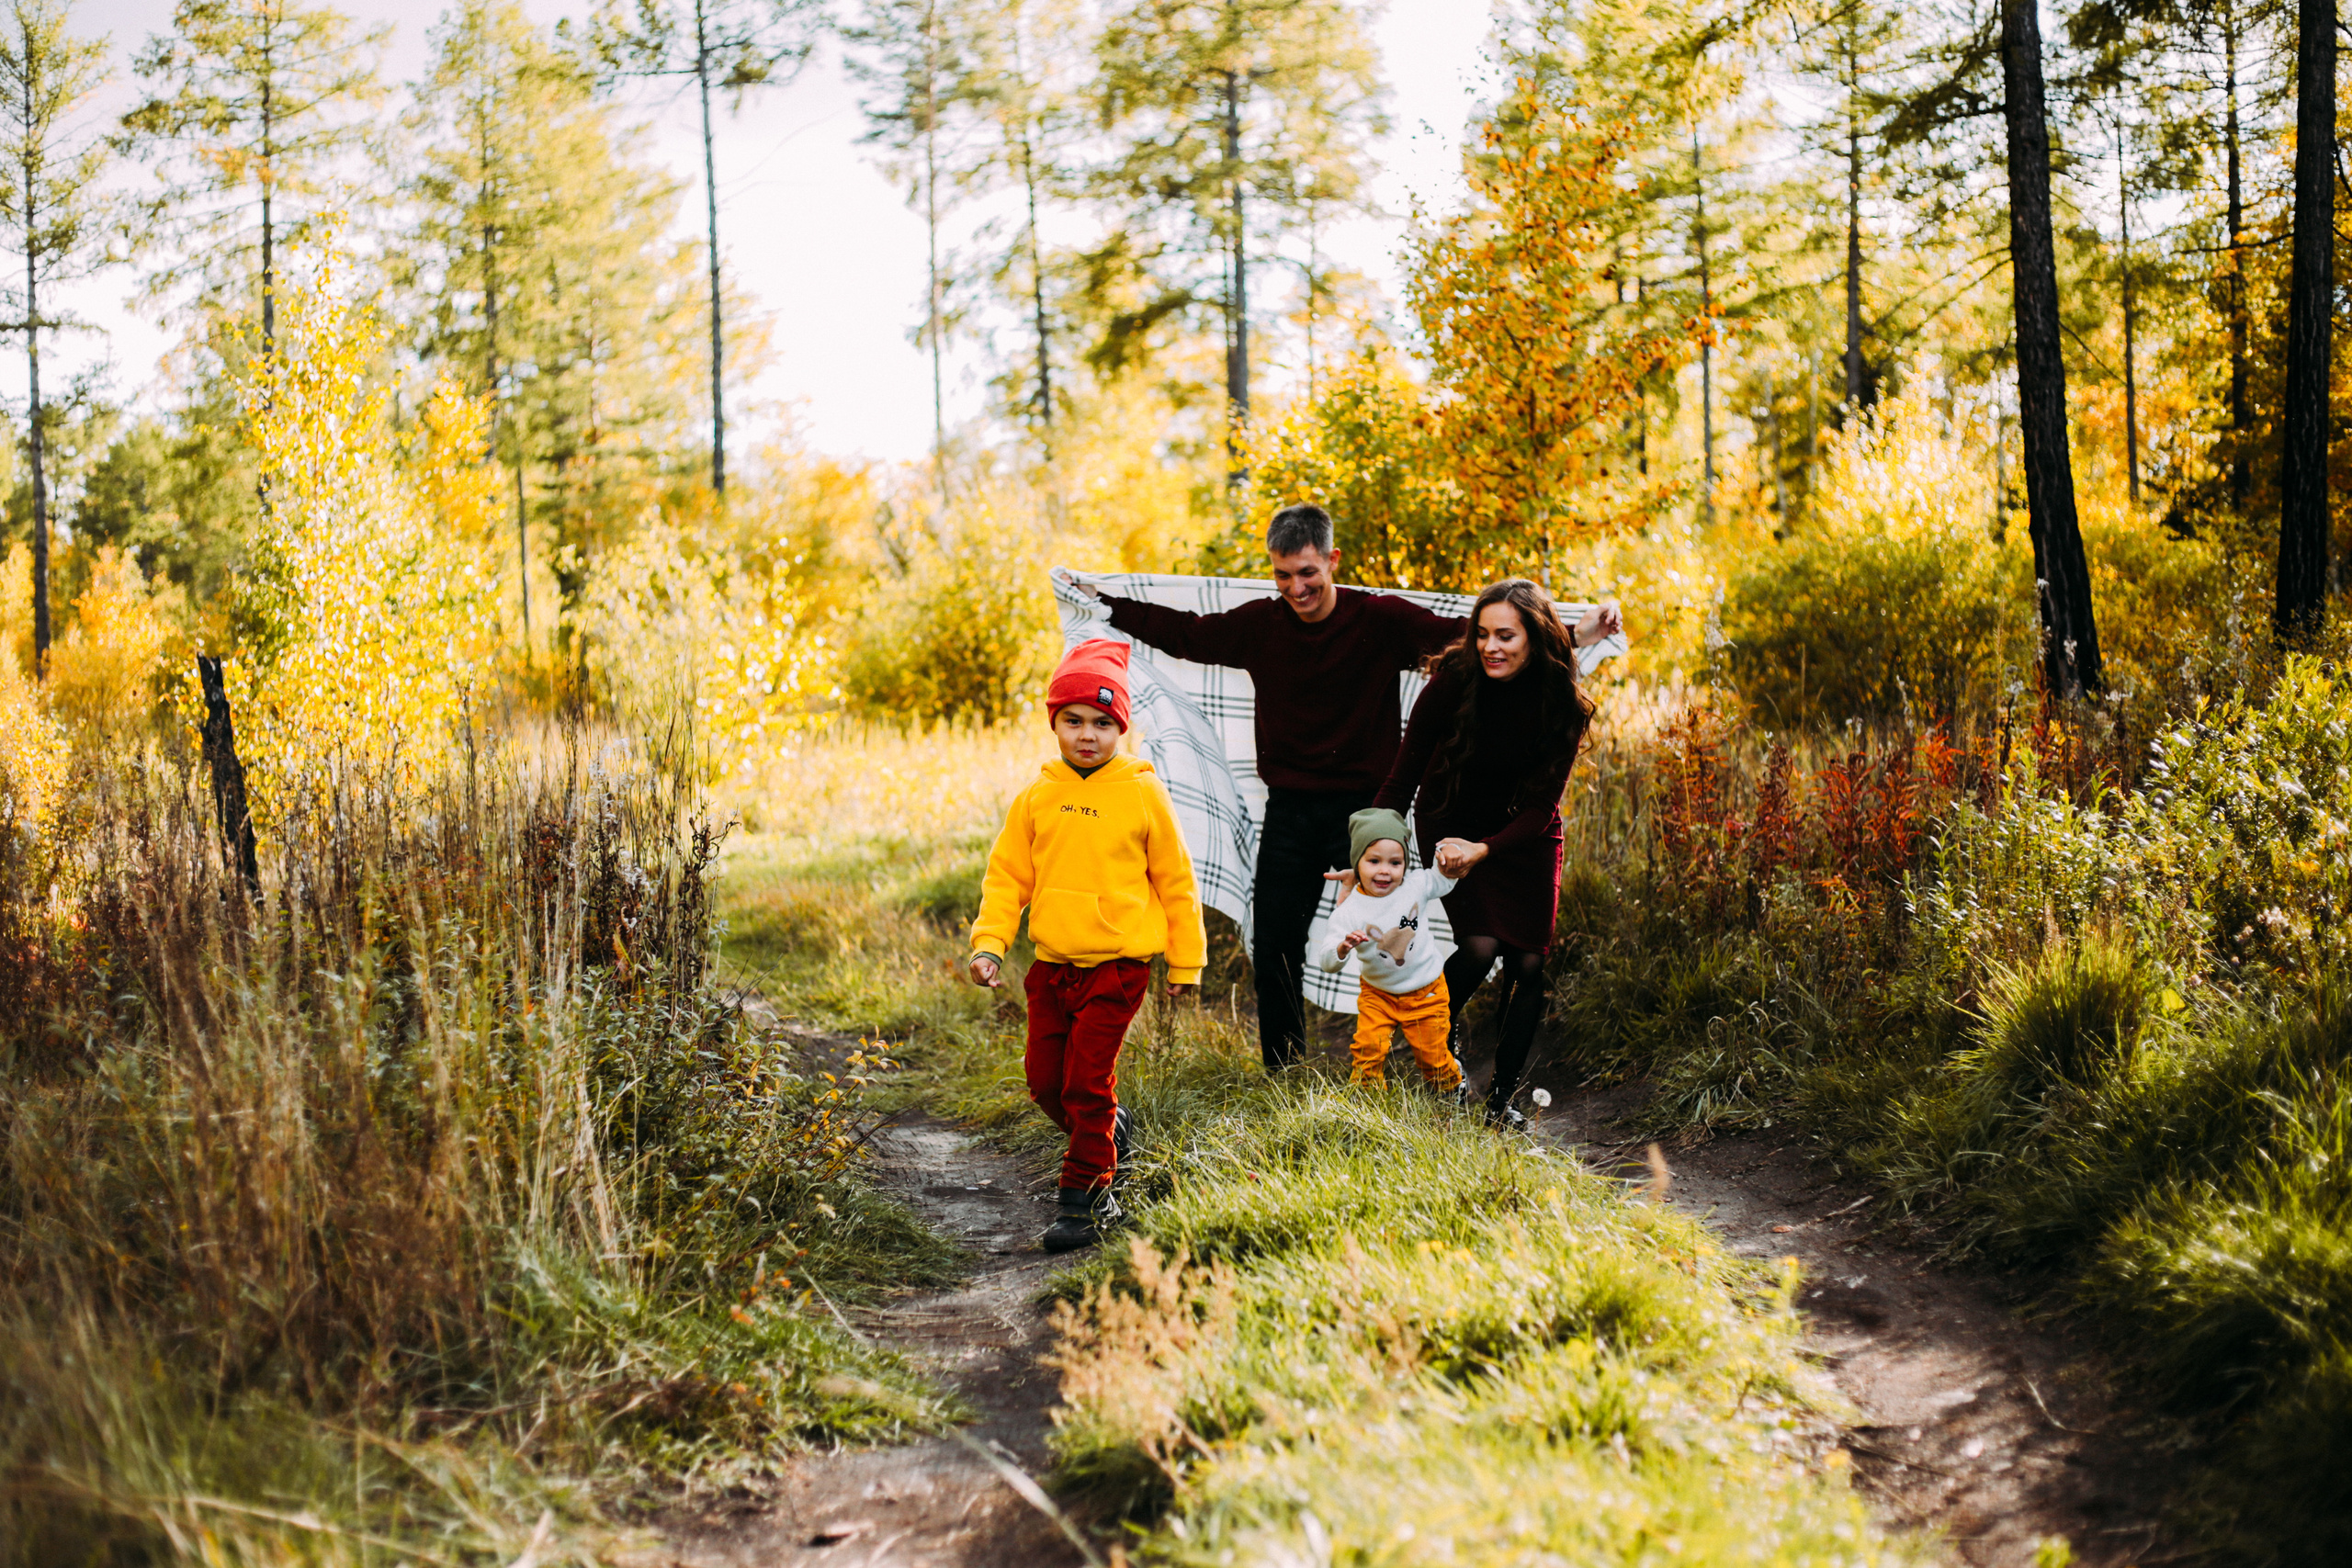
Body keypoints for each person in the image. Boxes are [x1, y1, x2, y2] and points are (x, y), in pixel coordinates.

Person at [1064, 504, 1461, 1070]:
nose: (1295, 587)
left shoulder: (1379, 619)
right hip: (1292, 810)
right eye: (1282, 574)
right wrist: (1104, 603)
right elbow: (1186, 635)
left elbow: (1470, 639)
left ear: (1332, 560)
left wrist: (1570, 633)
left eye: (1307, 572)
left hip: (1368, 812)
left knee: (1402, 936)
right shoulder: (1261, 625)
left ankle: (1429, 1057)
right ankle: (1285, 1069)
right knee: (1274, 943)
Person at [968, 639, 1205, 1252]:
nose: (1087, 734)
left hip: (1119, 967)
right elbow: (1006, 879)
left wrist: (1186, 960)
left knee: (1086, 1083)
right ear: (1054, 722)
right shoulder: (1037, 798)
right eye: (1073, 720)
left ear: (1121, 728)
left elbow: (1175, 881)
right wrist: (990, 943)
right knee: (1046, 1083)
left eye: (1103, 722)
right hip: (1051, 967)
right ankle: (1107, 1132)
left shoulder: (1142, 792)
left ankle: (1087, 1196)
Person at [1372, 579, 1622, 1129]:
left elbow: (1540, 808)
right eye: (1482, 634)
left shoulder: (1564, 704)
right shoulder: (1452, 682)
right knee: (1481, 947)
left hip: (1525, 836)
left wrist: (1487, 849)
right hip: (1450, 824)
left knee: (1529, 962)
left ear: (1535, 638)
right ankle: (1428, 1038)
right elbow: (1401, 779)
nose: (1491, 647)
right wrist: (1370, 851)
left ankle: (1501, 1103)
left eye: (1506, 635)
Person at [1306, 807, 1465, 1094]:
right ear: (1357, 863)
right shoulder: (1350, 910)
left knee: (1432, 1057)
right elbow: (1327, 960)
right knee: (1367, 1049)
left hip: (1426, 992)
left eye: (1395, 862)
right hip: (1378, 995)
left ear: (1405, 863)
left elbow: (1443, 880)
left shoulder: (1415, 886)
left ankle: (1451, 1092)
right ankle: (1368, 1102)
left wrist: (1448, 857)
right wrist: (1342, 949)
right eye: (1373, 861)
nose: (1384, 870)